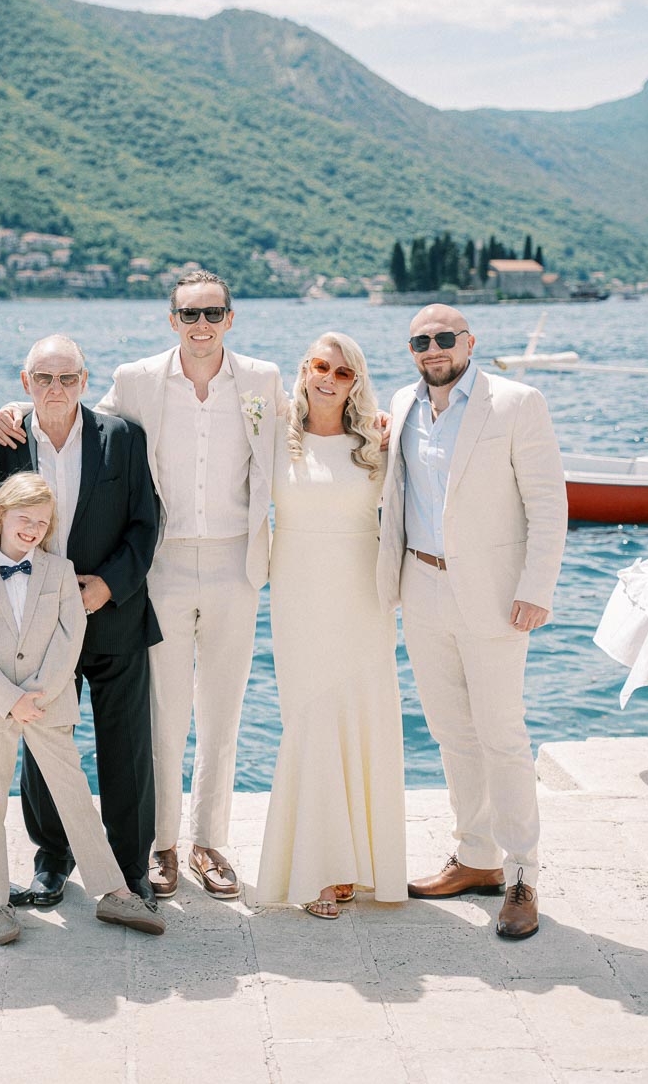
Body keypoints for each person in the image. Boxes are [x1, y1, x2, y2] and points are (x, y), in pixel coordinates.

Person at [0, 270, 286, 900]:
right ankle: (160, 847)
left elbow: (295, 438)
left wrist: (375, 431)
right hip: (163, 566)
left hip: (238, 561)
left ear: (230, 318)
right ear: (171, 320)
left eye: (213, 313)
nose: (201, 325)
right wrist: (14, 410)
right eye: (189, 314)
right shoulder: (135, 380)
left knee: (223, 714)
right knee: (160, 717)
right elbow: (80, 430)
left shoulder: (262, 380)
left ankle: (209, 843)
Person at [377, 304, 568, 939]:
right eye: (420, 341)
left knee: (502, 735)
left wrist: (537, 588)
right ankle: (476, 858)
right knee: (452, 733)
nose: (433, 348)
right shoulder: (403, 405)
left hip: (493, 595)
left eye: (444, 338)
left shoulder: (516, 402)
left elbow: (547, 502)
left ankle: (522, 875)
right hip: (420, 587)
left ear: (469, 341)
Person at [0, 334, 161, 910]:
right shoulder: (6, 444)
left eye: (67, 378)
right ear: (25, 384)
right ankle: (52, 859)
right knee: (42, 743)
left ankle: (131, 868)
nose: (56, 389)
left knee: (128, 748)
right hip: (35, 624)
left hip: (112, 613)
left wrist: (109, 585)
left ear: (85, 382)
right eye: (44, 378)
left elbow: (146, 523)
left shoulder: (123, 438)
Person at [0, 473, 165, 943]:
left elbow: (70, 638)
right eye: (23, 518)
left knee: (73, 792)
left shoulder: (58, 571)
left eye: (42, 522)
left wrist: (39, 693)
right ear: (0, 516)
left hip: (48, 701)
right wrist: (12, 700)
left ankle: (112, 891)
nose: (32, 529)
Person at [256, 333, 408, 918]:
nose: (328, 378)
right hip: (297, 593)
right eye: (321, 366)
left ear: (356, 383)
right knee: (311, 716)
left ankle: (360, 865)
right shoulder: (272, 432)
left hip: (362, 595)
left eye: (343, 373)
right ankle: (318, 869)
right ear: (303, 369)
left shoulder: (376, 441)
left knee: (362, 713)